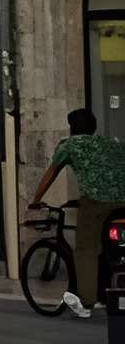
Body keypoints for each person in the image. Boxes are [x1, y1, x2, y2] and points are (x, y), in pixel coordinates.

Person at [30, 108, 124, 317]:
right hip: (121, 202)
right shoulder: (109, 144)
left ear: (72, 128)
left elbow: (51, 173)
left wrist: (35, 200)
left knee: (85, 249)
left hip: (96, 202)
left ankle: (87, 301)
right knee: (113, 248)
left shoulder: (70, 145)